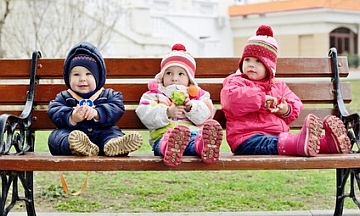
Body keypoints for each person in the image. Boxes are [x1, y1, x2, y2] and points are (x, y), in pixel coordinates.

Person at [220, 24, 351, 156]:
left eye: (258, 61)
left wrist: (285, 109)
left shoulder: (278, 86)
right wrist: (261, 99)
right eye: (247, 60)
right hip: (246, 139)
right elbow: (231, 100)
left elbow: (296, 103)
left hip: (278, 136)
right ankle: (302, 142)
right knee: (278, 142)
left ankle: (328, 144)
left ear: (269, 67)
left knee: (285, 140)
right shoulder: (235, 82)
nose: (251, 64)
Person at [47, 42, 143, 156]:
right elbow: (54, 110)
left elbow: (117, 107)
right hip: (73, 133)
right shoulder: (64, 97)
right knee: (56, 137)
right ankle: (74, 145)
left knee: (113, 133)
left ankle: (114, 145)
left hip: (103, 132)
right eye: (76, 74)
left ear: (98, 77)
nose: (82, 79)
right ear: (68, 78)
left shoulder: (108, 94)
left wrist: (98, 113)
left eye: (88, 74)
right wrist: (72, 116)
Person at [136, 43, 223, 167]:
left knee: (193, 142)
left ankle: (205, 146)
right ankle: (170, 149)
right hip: (162, 136)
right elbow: (144, 113)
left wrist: (191, 107)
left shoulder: (197, 95)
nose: (174, 78)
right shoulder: (154, 94)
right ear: (162, 75)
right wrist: (167, 112)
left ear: (189, 78)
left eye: (181, 74)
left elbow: (207, 114)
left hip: (192, 134)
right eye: (169, 73)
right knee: (165, 142)